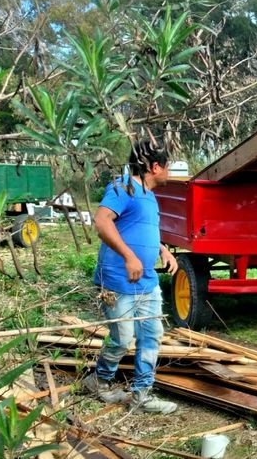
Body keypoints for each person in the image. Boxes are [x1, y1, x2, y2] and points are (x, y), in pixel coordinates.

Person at [80, 140, 180, 413]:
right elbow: (101, 221)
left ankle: (142, 397)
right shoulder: (122, 187)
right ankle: (99, 382)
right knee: (122, 339)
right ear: (155, 166)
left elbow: (139, 229)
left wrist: (163, 250)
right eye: (167, 166)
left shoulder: (149, 196)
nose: (169, 171)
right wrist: (129, 256)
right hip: (117, 282)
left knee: (152, 337)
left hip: (147, 283)